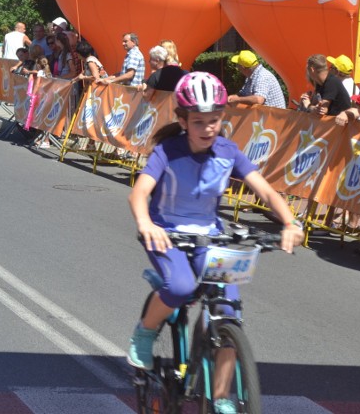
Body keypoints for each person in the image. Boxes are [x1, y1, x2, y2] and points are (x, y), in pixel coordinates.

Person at [127, 72, 303, 414]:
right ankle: (144, 333)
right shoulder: (168, 150)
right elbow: (139, 194)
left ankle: (221, 399)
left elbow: (265, 189)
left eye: (214, 120)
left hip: (210, 234)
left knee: (228, 312)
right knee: (179, 287)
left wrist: (290, 222)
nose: (208, 128)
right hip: (167, 232)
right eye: (198, 122)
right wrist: (146, 223)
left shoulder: (227, 150)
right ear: (182, 120)